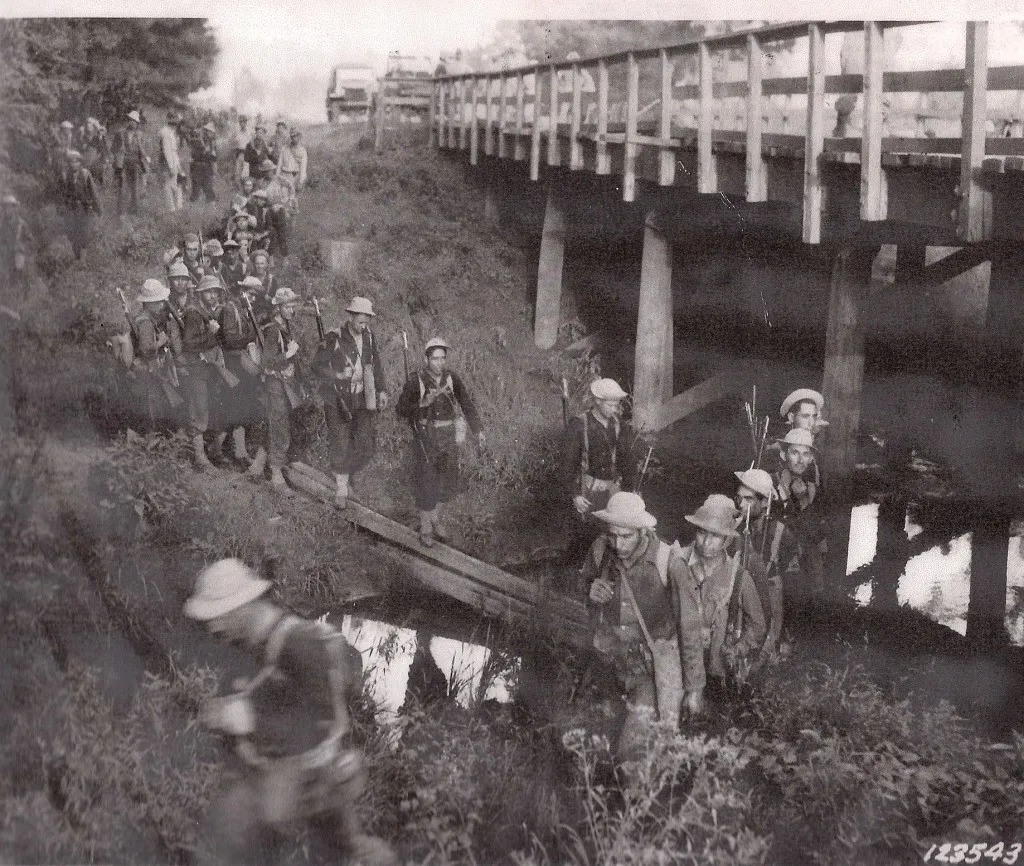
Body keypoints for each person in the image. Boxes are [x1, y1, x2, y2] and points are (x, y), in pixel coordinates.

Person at [182, 558, 398, 866]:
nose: (213, 626)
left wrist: (250, 720)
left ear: (243, 607)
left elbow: (322, 720)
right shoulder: (253, 641)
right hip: (284, 774)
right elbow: (274, 697)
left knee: (345, 849)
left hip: (316, 775)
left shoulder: (299, 642)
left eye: (218, 616)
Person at [581, 492, 683, 759]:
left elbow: (688, 622)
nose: (618, 543)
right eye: (613, 534)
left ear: (642, 531)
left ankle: (636, 795)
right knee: (595, 745)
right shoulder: (600, 549)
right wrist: (590, 591)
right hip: (608, 663)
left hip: (647, 670)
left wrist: (694, 687)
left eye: (626, 536)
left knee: (633, 750)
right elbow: (580, 587)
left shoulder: (666, 558)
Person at [675, 495, 766, 715]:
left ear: (726, 540)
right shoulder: (678, 564)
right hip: (679, 663)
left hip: (718, 671)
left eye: (715, 536)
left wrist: (736, 650)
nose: (706, 542)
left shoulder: (739, 577)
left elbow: (758, 626)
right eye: (702, 533)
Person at [395, 337, 484, 546]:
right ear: (427, 359)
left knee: (449, 480)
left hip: (449, 436)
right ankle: (425, 527)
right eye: (435, 359)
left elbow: (466, 403)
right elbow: (401, 410)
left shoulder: (452, 378)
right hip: (426, 437)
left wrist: (478, 429)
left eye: (443, 358)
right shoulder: (415, 380)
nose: (439, 363)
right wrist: (423, 403)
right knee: (427, 482)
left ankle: (435, 518)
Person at [310, 296, 388, 509]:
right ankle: (342, 488)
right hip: (338, 398)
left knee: (364, 443)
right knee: (340, 441)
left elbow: (376, 363)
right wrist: (337, 374)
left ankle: (347, 476)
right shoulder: (334, 337)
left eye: (367, 322)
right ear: (351, 317)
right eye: (361, 321)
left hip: (363, 396)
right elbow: (316, 366)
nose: (364, 326)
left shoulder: (370, 337)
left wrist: (381, 389)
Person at [558, 377, 639, 564]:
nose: (614, 409)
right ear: (598, 401)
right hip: (587, 491)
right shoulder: (579, 425)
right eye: (610, 405)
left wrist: (630, 491)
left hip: (611, 490)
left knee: (612, 535)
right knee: (584, 536)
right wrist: (575, 495)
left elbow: (627, 462)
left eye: (616, 405)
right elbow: (566, 464)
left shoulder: (619, 426)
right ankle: (576, 572)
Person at [734, 468, 799, 667]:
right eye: (739, 498)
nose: (741, 505)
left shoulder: (782, 535)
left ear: (764, 503)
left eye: (749, 499)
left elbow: (794, 589)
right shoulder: (733, 528)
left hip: (771, 604)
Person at [253, 286, 302, 495]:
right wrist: (289, 354)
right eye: (288, 306)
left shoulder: (284, 327)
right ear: (279, 308)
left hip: (283, 383)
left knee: (277, 424)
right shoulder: (273, 330)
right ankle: (276, 476)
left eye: (293, 306)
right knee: (279, 427)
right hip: (275, 384)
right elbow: (267, 361)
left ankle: (256, 467)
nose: (292, 310)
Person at [179, 274, 229, 471]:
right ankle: (200, 458)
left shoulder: (207, 311)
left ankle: (213, 452)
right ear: (200, 293)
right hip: (196, 368)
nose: (213, 295)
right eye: (209, 291)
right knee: (198, 411)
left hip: (208, 368)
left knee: (210, 408)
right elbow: (189, 344)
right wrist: (211, 334)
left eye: (216, 291)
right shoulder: (193, 313)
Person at [119, 278, 183, 426]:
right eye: (158, 301)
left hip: (150, 370)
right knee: (153, 408)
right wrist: (160, 342)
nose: (162, 304)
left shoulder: (149, 319)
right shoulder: (146, 322)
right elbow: (145, 349)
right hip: (147, 371)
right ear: (148, 304)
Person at [773, 428, 826, 597]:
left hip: (805, 571)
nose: (800, 460)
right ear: (783, 455)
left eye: (805, 454)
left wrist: (803, 500)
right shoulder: (772, 485)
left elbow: (818, 535)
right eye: (795, 453)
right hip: (777, 567)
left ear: (811, 459)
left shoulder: (814, 489)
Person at [219, 274, 264, 467]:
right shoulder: (231, 309)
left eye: (255, 296)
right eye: (250, 294)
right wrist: (250, 336)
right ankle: (224, 449)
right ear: (242, 292)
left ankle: (239, 450)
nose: (252, 299)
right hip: (232, 363)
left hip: (242, 364)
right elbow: (229, 340)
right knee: (234, 406)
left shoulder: (244, 311)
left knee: (241, 406)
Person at [59, 150, 101, 259]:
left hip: (84, 208)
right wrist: (62, 208)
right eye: (72, 162)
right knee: (73, 234)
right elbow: (61, 194)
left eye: (76, 162)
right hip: (71, 210)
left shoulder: (85, 174)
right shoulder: (65, 176)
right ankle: (76, 257)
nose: (74, 164)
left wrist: (98, 208)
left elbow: (93, 192)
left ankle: (83, 260)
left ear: (80, 163)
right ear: (68, 164)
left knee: (85, 233)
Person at [112, 110, 149, 215]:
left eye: (134, 121)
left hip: (136, 163)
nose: (132, 123)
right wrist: (117, 157)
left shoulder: (140, 135)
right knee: (123, 187)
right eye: (130, 120)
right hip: (122, 164)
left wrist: (145, 160)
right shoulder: (120, 133)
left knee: (135, 187)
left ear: (137, 124)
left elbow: (144, 150)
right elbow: (113, 149)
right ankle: (121, 211)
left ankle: (134, 210)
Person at [1, 194, 30, 295]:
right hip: (5, 260)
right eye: (4, 207)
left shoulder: (21, 225)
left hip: (18, 261)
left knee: (18, 285)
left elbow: (29, 241)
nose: (6, 210)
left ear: (14, 208)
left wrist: (22, 248)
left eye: (8, 207)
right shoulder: (2, 225)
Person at [158, 110, 184, 212]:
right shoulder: (165, 133)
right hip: (166, 162)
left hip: (173, 161)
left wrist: (177, 164)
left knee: (174, 184)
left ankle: (178, 206)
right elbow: (167, 151)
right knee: (168, 185)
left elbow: (174, 151)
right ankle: (172, 208)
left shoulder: (171, 133)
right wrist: (171, 166)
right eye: (173, 121)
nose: (175, 124)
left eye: (176, 121)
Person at [190, 122, 218, 203]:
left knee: (208, 187)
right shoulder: (198, 141)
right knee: (196, 188)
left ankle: (210, 204)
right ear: (207, 131)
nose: (212, 134)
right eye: (210, 132)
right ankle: (193, 205)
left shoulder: (211, 142)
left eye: (212, 132)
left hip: (207, 167)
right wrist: (208, 154)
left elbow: (214, 157)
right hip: (198, 167)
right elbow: (195, 155)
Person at [277, 128, 308, 196]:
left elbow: (303, 167)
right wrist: (277, 176)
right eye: (292, 136)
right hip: (285, 175)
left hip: (296, 176)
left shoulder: (302, 150)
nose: (294, 138)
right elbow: (279, 163)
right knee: (285, 197)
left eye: (295, 136)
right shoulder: (285, 148)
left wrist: (300, 181)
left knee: (295, 199)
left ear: (299, 137)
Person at [233, 114, 251, 183]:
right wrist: (236, 151)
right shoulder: (238, 132)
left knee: (245, 173)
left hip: (246, 154)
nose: (242, 123)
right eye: (240, 122)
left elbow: (250, 144)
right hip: (239, 153)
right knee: (238, 172)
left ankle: (245, 187)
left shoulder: (249, 132)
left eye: (243, 122)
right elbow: (236, 143)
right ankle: (239, 187)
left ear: (246, 123)